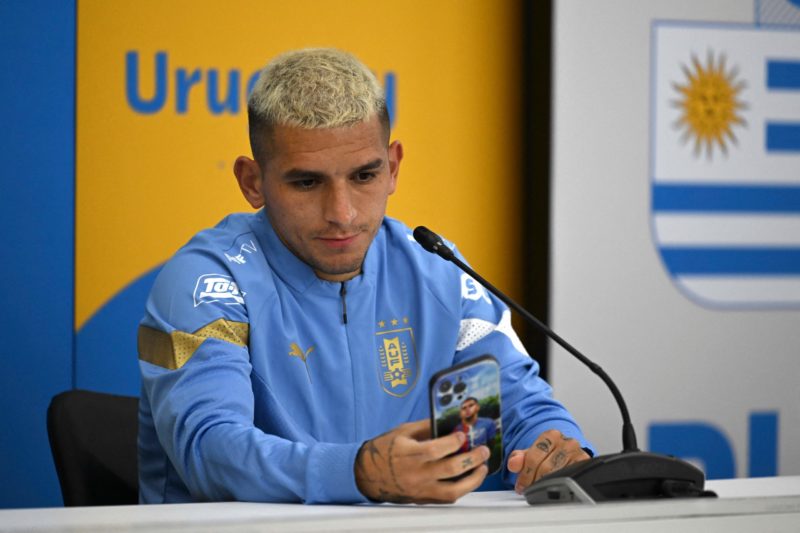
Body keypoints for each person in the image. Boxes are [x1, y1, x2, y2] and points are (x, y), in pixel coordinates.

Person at [137, 47, 592, 505]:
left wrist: (553, 450)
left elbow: (511, 410)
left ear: (392, 167)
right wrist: (360, 473)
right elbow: (209, 451)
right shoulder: (208, 279)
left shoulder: (437, 270)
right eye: (307, 183)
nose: (343, 213)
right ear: (253, 182)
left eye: (364, 175)